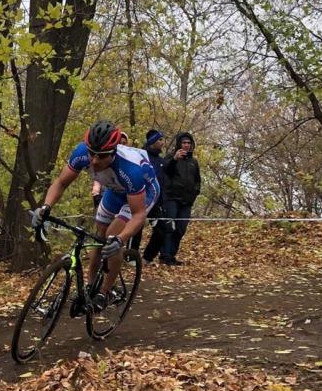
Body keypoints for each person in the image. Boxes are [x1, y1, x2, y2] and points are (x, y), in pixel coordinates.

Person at [31, 120, 160, 311]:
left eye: (101, 156)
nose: (94, 161)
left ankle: (104, 292)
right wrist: (45, 207)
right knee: (98, 235)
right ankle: (91, 285)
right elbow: (60, 183)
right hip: (115, 190)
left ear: (113, 152)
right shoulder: (82, 152)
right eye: (92, 154)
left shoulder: (130, 169)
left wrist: (121, 239)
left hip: (142, 193)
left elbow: (139, 215)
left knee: (112, 237)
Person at [159, 132, 201, 266]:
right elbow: (166, 171)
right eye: (184, 143)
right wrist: (175, 159)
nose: (186, 145)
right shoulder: (171, 157)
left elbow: (197, 181)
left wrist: (195, 193)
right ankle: (165, 255)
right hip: (171, 198)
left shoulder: (193, 162)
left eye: (189, 143)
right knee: (169, 227)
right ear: (179, 144)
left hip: (187, 201)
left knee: (181, 229)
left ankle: (171, 255)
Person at [141, 129, 168, 265]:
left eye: (163, 140)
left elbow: (162, 183)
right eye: (160, 140)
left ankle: (147, 258)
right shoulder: (141, 156)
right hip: (140, 198)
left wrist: (162, 202)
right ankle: (129, 257)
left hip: (156, 202)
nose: (163, 143)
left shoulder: (161, 161)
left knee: (162, 230)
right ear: (152, 142)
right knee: (136, 228)